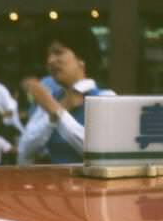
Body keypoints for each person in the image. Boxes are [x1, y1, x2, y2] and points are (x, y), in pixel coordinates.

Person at [18, 24, 111, 165]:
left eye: (58, 52)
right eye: (48, 55)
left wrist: (57, 111)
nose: (50, 60)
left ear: (82, 58)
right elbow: (24, 152)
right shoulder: (52, 98)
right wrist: (56, 111)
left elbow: (99, 155)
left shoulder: (106, 98)